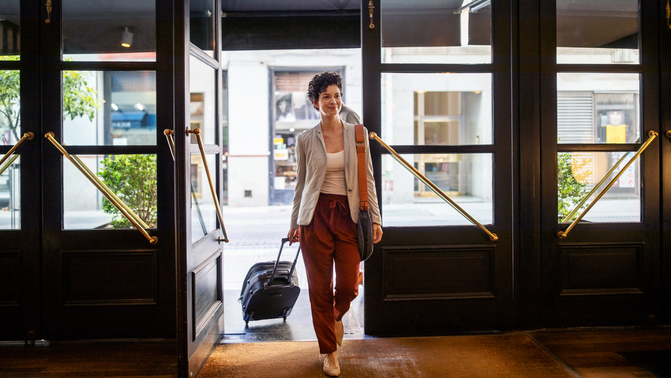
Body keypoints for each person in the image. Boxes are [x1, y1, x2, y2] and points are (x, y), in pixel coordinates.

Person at [287, 71, 382, 377]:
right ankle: (329, 352)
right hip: (314, 217)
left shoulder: (358, 133)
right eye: (326, 97)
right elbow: (301, 185)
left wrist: (376, 219)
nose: (333, 101)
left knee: (348, 284)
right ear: (315, 102)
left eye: (337, 95)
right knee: (318, 287)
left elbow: (368, 178)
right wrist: (295, 222)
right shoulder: (305, 139)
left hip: (350, 216)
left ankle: (335, 317)